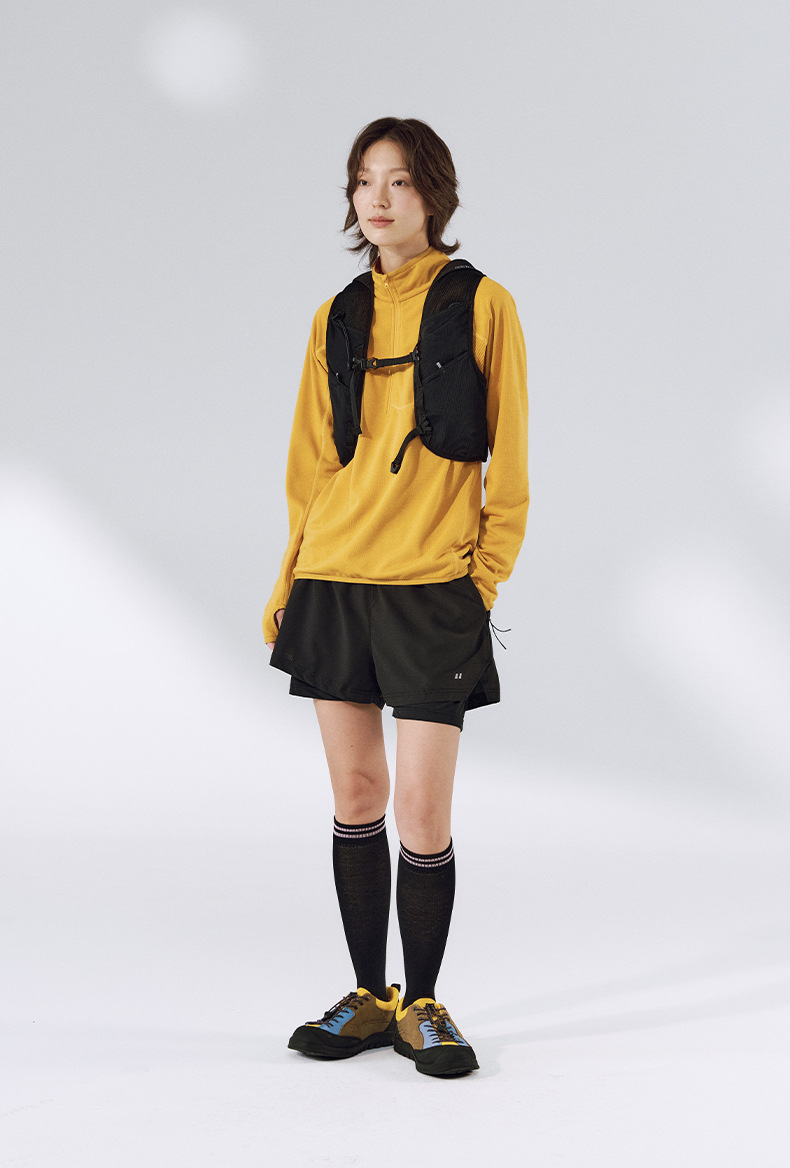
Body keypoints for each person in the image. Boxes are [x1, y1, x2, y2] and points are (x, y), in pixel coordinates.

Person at [263, 116, 528, 1077]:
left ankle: (425, 1003)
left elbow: (511, 463)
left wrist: (479, 578)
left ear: (434, 196)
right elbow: (310, 463)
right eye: (365, 180)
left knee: (421, 812)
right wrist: (289, 579)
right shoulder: (335, 315)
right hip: (334, 580)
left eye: (401, 181)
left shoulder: (484, 304)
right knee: (357, 795)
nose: (378, 199)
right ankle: (369, 996)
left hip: (432, 591)